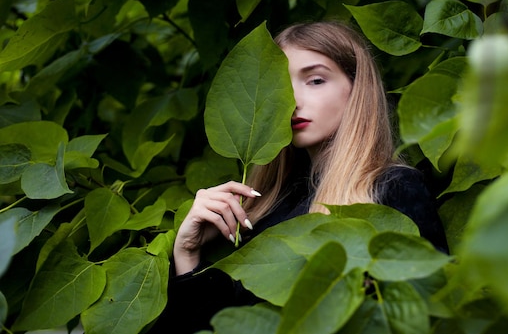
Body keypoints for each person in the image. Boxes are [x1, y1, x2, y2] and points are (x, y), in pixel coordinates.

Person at [148, 20, 448, 333]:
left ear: (358, 88)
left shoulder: (391, 189)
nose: (291, 100)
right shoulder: (262, 208)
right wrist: (187, 253)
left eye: (315, 80)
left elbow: (429, 311)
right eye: (279, 86)